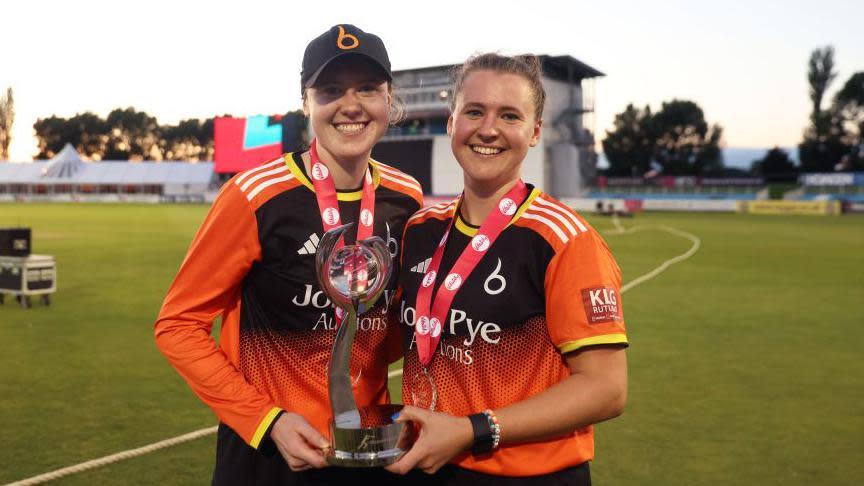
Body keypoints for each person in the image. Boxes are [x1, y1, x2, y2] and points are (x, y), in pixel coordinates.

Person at [154, 24, 423, 485]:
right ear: (305, 102)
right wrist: (266, 420)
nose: (351, 104)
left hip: (372, 452)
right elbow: (178, 326)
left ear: (388, 99)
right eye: (331, 90)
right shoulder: (254, 196)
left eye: (367, 89)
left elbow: (394, 324)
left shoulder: (406, 197)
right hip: (270, 455)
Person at [386, 53, 628, 484]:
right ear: (451, 122)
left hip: (526, 474)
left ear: (534, 132)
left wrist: (472, 430)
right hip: (427, 462)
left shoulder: (565, 240)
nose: (488, 129)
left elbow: (606, 390)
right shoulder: (420, 230)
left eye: (509, 115)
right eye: (474, 111)